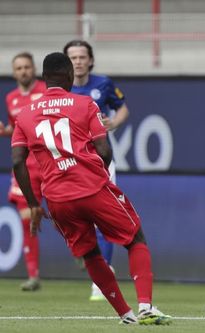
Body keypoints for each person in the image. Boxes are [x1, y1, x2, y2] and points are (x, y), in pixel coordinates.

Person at [11, 52, 171, 325]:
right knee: (135, 239)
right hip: (91, 187)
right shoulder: (84, 103)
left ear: (44, 78)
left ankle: (126, 315)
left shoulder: (25, 113)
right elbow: (104, 149)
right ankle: (145, 307)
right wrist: (98, 174)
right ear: (69, 76)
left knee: (90, 254)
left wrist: (34, 203)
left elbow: (17, 161)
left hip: (57, 199)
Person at [63, 39, 129, 301]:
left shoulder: (103, 83)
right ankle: (88, 258)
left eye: (82, 57)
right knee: (73, 218)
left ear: (90, 60)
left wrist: (112, 123)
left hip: (101, 159)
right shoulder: (60, 90)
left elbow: (123, 107)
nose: (78, 62)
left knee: (105, 218)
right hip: (70, 162)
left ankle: (101, 279)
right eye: (73, 57)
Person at [0, 52, 46, 291]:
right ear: (14, 72)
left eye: (27, 67)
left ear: (34, 68)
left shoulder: (47, 91)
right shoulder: (11, 98)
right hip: (25, 165)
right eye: (19, 68)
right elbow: (18, 130)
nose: (23, 71)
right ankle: (33, 276)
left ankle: (82, 253)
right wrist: (6, 130)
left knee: (66, 210)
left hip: (49, 160)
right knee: (27, 217)